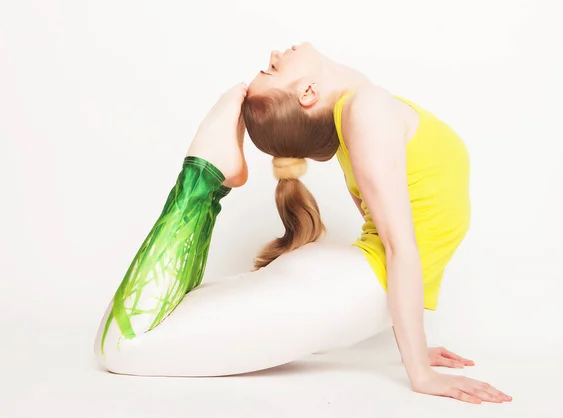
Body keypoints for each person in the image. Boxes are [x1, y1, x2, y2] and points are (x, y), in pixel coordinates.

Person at [93, 42, 511, 405]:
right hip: (343, 289)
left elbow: (405, 238)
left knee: (139, 331)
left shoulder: (364, 109)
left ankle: (208, 174)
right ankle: (204, 173)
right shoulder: (367, 109)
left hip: (344, 285)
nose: (275, 55)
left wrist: (413, 346)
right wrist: (419, 370)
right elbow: (400, 246)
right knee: (122, 346)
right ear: (308, 92)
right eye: (273, 68)